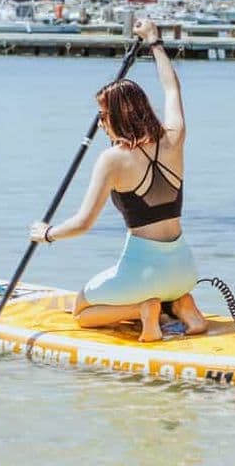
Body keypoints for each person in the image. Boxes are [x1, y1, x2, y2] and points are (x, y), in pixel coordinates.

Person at [30, 18, 208, 343]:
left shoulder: (112, 160)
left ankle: (143, 309)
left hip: (145, 274)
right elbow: (172, 88)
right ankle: (181, 304)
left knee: (82, 311)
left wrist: (48, 235)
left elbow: (83, 224)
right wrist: (155, 41)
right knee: (164, 289)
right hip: (185, 270)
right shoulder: (175, 138)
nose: (99, 124)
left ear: (117, 117)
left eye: (102, 116)